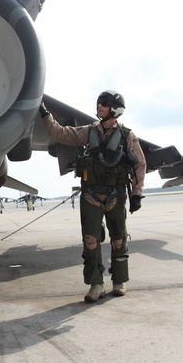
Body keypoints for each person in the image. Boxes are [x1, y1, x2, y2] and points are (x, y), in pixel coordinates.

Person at [40, 91, 147, 302]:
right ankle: (96, 284)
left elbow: (140, 164)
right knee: (90, 240)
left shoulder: (127, 136)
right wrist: (45, 114)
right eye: (99, 103)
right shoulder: (89, 132)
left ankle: (119, 281)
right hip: (91, 195)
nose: (99, 106)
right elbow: (59, 133)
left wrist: (137, 194)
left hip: (116, 195)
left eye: (105, 104)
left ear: (115, 109)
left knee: (118, 239)